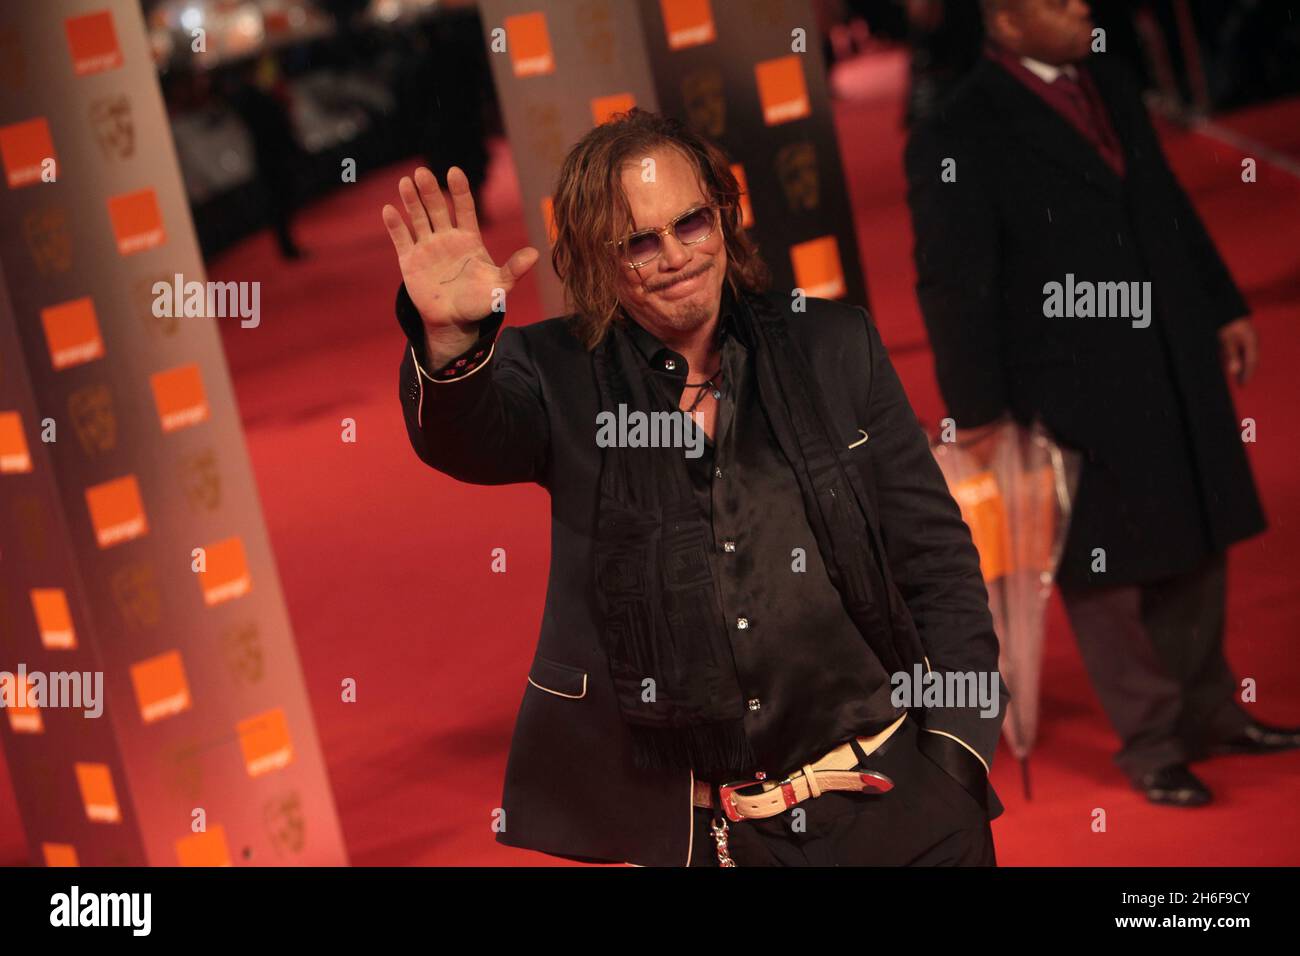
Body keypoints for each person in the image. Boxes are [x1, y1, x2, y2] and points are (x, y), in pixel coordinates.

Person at [382, 109, 1007, 866]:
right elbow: (467, 438)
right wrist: (452, 341)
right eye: (640, 242)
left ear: (724, 216)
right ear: (594, 260)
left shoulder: (834, 344)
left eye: (692, 223)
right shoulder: (557, 375)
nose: (675, 255)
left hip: (902, 803)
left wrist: (957, 755)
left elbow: (937, 560)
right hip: (718, 840)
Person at [905, 0, 1299, 808]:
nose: (1082, 5)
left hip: (1170, 348)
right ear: (1005, 22)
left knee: (1200, 526)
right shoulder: (955, 130)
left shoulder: (1110, 80)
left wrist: (1222, 302)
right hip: (1063, 377)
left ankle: (1212, 711)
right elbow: (952, 283)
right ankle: (1152, 743)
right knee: (1107, 570)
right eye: (1056, 1)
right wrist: (976, 411)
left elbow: (1165, 202)